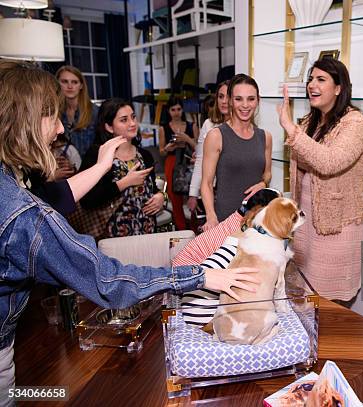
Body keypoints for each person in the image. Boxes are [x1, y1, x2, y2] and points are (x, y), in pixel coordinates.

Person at [0, 60, 258, 402]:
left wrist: (118, 174)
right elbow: (107, 280)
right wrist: (203, 277)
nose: (62, 130)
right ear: (28, 122)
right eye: (54, 118)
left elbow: (54, 198)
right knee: (37, 394)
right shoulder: (22, 216)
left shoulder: (13, 181)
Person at [277, 58, 363, 303]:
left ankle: (329, 339)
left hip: (337, 225)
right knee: (305, 293)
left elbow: (330, 162)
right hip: (306, 221)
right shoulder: (310, 123)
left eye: (321, 79)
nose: (312, 85)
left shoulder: (356, 125)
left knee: (330, 300)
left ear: (339, 88)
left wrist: (289, 126)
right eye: (311, 79)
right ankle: (311, 339)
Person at [79, 98, 165, 238]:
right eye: (124, 120)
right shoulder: (98, 155)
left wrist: (161, 197)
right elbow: (88, 200)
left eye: (133, 117)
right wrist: (124, 183)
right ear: (109, 127)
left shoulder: (145, 155)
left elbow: (153, 189)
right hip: (112, 239)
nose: (132, 123)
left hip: (147, 234)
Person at [201, 74, 272, 230]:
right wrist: (211, 216)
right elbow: (206, 183)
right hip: (226, 220)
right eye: (239, 99)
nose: (245, 105)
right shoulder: (216, 136)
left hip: (258, 219)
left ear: (258, 100)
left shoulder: (265, 137)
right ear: (230, 101)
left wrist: (263, 183)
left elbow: (267, 173)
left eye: (251, 99)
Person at [187, 80, 230, 215]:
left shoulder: (244, 128)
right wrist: (193, 193)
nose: (224, 101)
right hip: (211, 189)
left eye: (228, 96)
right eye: (220, 96)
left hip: (234, 190)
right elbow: (200, 160)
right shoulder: (209, 124)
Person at [159, 97, 196, 230]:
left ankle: (194, 226)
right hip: (172, 161)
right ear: (168, 111)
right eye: (173, 109)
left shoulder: (192, 125)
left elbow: (198, 147)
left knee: (193, 194)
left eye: (178, 109)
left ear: (182, 110)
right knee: (175, 197)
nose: (176, 112)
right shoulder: (163, 128)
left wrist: (186, 139)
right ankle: (181, 228)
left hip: (189, 161)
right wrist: (168, 148)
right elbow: (161, 151)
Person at [56, 65, 98, 157]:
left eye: (74, 82)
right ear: (57, 83)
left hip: (91, 167)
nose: (70, 86)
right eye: (64, 81)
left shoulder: (94, 112)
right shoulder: (54, 113)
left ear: (81, 85)